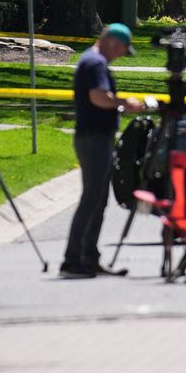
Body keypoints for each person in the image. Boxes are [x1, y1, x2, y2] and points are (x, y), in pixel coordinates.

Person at [62, 23, 135, 278]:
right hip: (94, 138)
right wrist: (125, 103)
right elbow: (98, 97)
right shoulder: (95, 64)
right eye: (121, 51)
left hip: (95, 137)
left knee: (98, 199)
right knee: (92, 198)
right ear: (112, 43)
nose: (119, 56)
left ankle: (88, 257)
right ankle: (72, 259)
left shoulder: (92, 61)